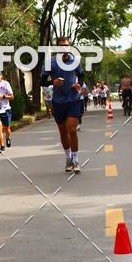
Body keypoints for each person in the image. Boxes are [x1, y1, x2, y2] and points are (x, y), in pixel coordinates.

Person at [41, 36, 85, 174]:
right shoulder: (51, 63)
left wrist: (78, 84)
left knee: (71, 130)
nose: (64, 49)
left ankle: (76, 159)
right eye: (60, 46)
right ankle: (68, 158)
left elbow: (81, 76)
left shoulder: (75, 61)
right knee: (63, 131)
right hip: (58, 101)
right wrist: (52, 82)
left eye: (66, 46)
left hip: (73, 99)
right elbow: (42, 81)